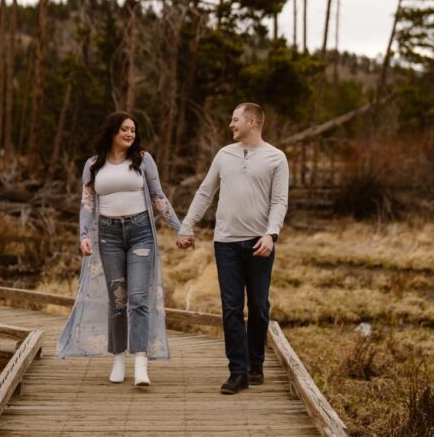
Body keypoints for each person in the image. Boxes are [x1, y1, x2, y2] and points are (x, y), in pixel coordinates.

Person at [56, 111, 183, 387]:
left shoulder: (143, 160)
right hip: (109, 236)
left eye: (133, 130)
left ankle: (140, 362)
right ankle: (117, 359)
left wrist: (180, 227)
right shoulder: (93, 164)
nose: (130, 134)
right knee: (118, 300)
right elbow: (87, 203)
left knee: (138, 298)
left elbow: (158, 197)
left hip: (140, 234)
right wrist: (84, 235)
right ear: (112, 131)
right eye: (125, 129)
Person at [177, 102, 289, 394]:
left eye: (235, 119)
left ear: (252, 122)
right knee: (231, 309)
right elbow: (205, 192)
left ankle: (256, 363)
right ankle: (237, 372)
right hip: (225, 242)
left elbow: (279, 201)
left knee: (259, 307)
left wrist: (271, 234)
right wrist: (186, 226)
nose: (231, 124)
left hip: (259, 243)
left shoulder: (276, 158)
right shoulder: (223, 155)